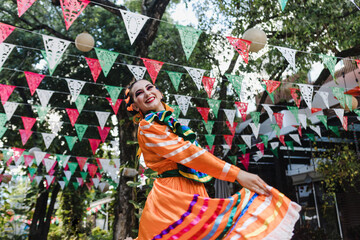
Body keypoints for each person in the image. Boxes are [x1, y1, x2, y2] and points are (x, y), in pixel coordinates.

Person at [125, 79, 301, 240]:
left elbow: (196, 153)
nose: (147, 93)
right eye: (139, 93)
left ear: (160, 93)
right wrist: (237, 174)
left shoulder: (171, 124)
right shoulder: (147, 127)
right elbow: (189, 153)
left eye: (150, 88)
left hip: (193, 191)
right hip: (171, 198)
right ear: (135, 105)